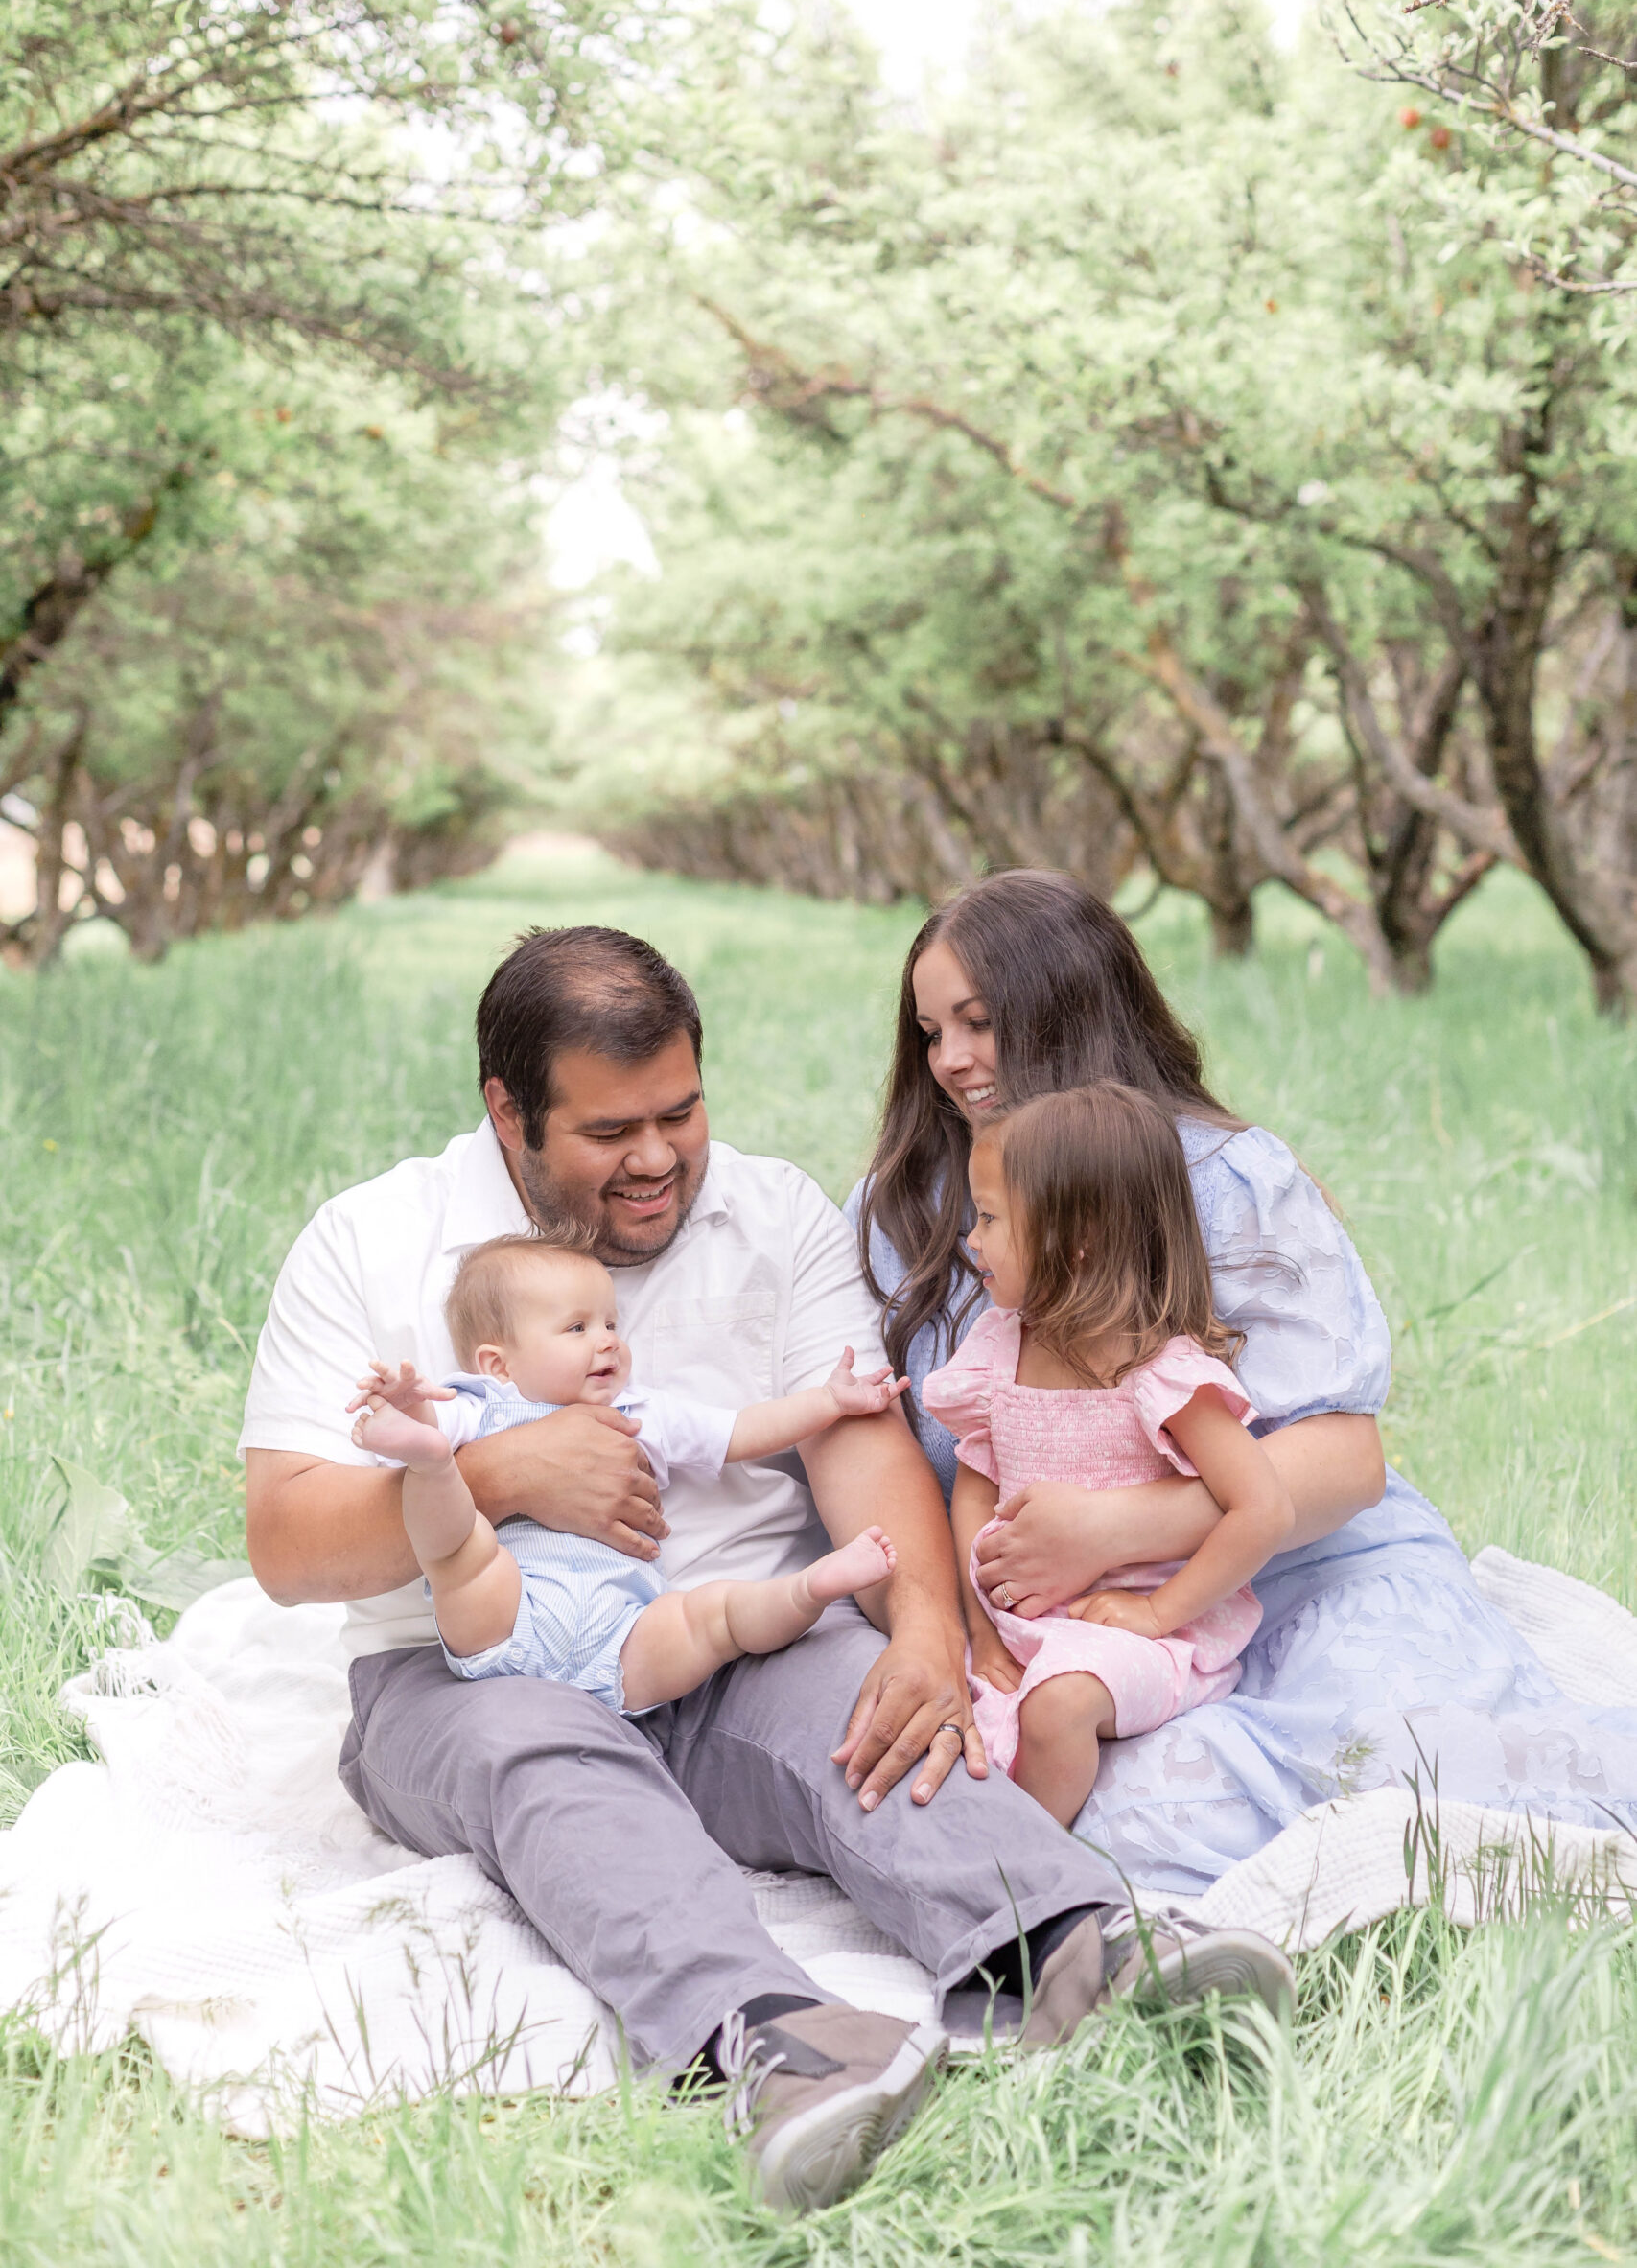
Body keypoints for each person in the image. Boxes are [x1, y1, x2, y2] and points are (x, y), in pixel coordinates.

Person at [241, 924, 1294, 2216]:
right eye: (608, 1132)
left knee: (874, 1707)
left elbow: (862, 1453)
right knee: (548, 1761)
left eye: (678, 1114)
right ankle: (772, 2047)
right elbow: (286, 1545)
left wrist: (923, 1632)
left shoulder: (771, 1211)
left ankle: (1074, 1945)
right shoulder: (371, 1240)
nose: (654, 1160)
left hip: (738, 1636)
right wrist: (507, 1475)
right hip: (470, 1664)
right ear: (505, 1113)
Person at [852, 868, 1637, 1891]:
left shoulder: (1226, 1180)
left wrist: (1108, 1528)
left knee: (1426, 1761)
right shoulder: (906, 1210)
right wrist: (953, 1619)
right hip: (1043, 1624)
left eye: (980, 1022)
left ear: (1068, 1012)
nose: (951, 1061)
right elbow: (895, 1448)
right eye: (928, 1031)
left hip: (1294, 1566)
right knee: (1082, 1800)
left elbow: (1345, 1461)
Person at [346, 1230, 903, 1713]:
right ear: (499, 1365)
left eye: (611, 1322)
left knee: (714, 1618)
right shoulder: (482, 1405)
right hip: (507, 1607)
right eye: (577, 1328)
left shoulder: (638, 1413)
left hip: (624, 1636)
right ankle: (431, 1462)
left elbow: (738, 1431)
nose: (608, 1338)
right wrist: (411, 1409)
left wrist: (827, 1402)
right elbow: (435, 1420)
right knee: (458, 1552)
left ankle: (808, 1590)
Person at [934, 1085, 1291, 1837]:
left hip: (1143, 1640)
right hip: (1018, 1629)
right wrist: (979, 1623)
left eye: (991, 1219)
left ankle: (1020, 1872)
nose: (972, 1239)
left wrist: (1158, 1611)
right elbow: (974, 1491)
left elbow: (1263, 1509)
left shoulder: (1159, 1374)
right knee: (935, 1718)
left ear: (1077, 1238)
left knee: (1058, 1706)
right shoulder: (998, 1351)